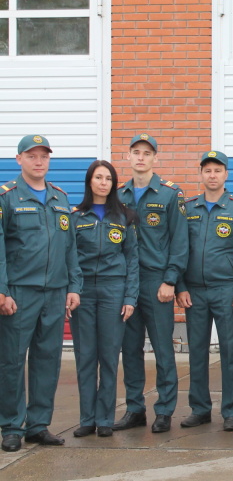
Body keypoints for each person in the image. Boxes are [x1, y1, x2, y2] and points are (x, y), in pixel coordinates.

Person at [0, 135, 82, 452]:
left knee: (47, 360)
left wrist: (74, 286)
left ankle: (38, 424)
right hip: (20, 292)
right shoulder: (7, 198)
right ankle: (11, 425)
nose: (38, 161)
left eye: (43, 156)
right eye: (31, 156)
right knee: (11, 360)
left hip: (55, 291)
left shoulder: (60, 199)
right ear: (18, 159)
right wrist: (2, 289)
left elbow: (70, 248)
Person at [176, 151, 233, 432]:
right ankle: (199, 409)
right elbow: (178, 250)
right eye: (207, 170)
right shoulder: (187, 209)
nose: (212, 175)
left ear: (226, 174)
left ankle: (232, 412)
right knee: (196, 352)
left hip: (226, 291)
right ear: (201, 174)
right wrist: (180, 286)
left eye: (217, 170)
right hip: (194, 292)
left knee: (230, 352)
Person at [115, 133, 189, 434]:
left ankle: (164, 410)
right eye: (136, 152)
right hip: (127, 285)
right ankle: (134, 409)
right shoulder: (118, 197)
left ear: (155, 158)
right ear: (129, 157)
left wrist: (171, 280)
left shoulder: (170, 194)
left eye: (147, 152)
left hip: (158, 283)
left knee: (162, 350)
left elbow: (180, 241)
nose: (141, 157)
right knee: (130, 349)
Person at [70, 161, 139, 439]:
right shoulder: (75, 217)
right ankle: (87, 419)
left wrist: (130, 297)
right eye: (98, 177)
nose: (102, 182)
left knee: (109, 358)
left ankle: (105, 420)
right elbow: (69, 257)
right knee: (85, 357)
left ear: (113, 184)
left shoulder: (124, 217)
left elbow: (132, 259)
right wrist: (71, 289)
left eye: (108, 178)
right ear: (89, 182)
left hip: (114, 291)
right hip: (83, 292)